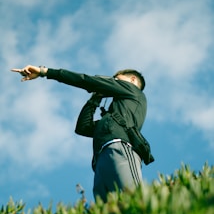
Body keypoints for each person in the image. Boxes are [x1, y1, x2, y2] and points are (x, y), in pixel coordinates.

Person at [11, 65, 149, 202]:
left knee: (134, 199)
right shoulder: (111, 119)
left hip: (120, 148)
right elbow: (83, 127)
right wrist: (95, 99)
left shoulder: (134, 91)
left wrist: (44, 72)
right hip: (101, 159)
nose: (112, 83)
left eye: (116, 80)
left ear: (132, 80)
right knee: (108, 213)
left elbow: (87, 80)